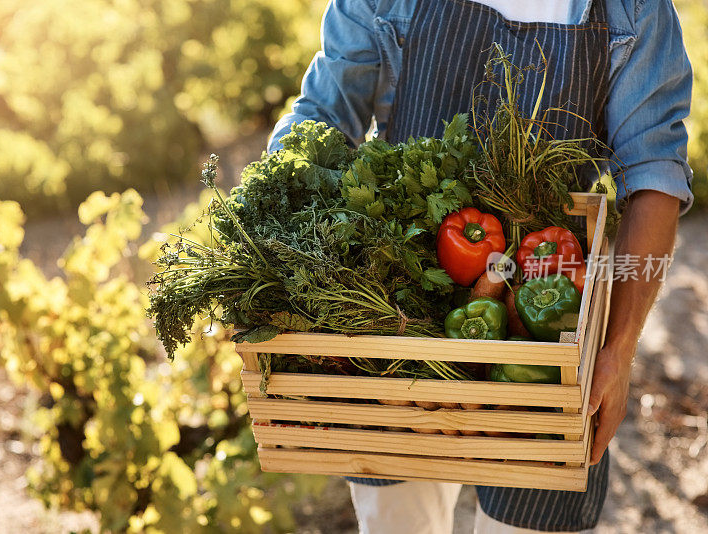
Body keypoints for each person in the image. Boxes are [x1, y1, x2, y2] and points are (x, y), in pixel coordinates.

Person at [267, 0, 694, 532]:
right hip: (397, 309)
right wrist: (264, 229)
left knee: (529, 517)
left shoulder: (632, 8)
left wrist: (619, 350)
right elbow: (324, 116)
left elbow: (654, 171)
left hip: (545, 312)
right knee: (399, 519)